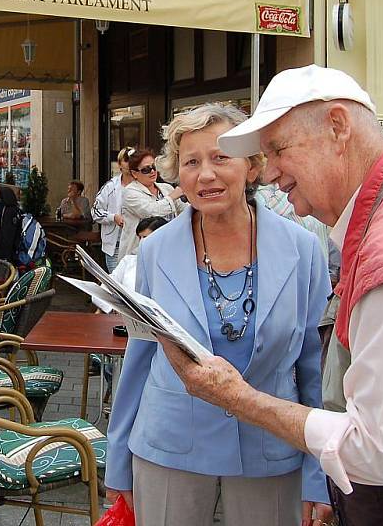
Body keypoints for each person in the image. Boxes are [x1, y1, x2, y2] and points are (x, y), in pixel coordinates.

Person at [160, 65, 383, 526]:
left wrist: (242, 400)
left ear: (337, 126)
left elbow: (379, 452)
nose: (273, 172)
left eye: (278, 150)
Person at [105, 103, 331, 526]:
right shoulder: (155, 250)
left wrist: (319, 474)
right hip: (169, 446)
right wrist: (118, 459)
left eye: (221, 157)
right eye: (191, 162)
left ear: (253, 167)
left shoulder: (302, 250)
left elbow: (315, 367)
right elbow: (138, 359)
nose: (205, 174)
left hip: (272, 447)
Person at [116, 148, 185, 259]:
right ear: (134, 173)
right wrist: (173, 196)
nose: (152, 171)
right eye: (146, 169)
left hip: (168, 250)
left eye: (154, 167)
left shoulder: (166, 188)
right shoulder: (130, 192)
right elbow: (151, 212)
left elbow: (184, 211)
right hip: (139, 253)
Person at [91, 216, 166, 313]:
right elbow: (102, 291)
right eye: (140, 238)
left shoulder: (170, 268)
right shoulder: (128, 261)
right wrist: (112, 309)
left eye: (147, 238)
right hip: (123, 318)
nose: (142, 242)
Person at [92, 147, 135, 273]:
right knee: (117, 284)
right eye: (126, 160)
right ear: (120, 164)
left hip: (135, 244)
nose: (129, 163)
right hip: (114, 245)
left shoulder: (142, 185)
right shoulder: (111, 187)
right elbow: (95, 211)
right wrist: (113, 217)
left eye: (132, 160)